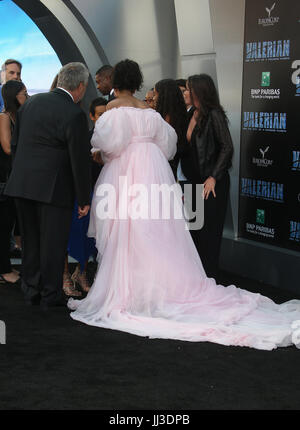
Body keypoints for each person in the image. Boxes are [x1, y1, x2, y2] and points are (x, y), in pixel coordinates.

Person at [68, 59, 300, 351]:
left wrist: (101, 153)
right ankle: (157, 290)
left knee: (127, 229)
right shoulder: (148, 111)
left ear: (115, 83)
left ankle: (132, 293)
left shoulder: (113, 109)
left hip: (126, 173)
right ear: (137, 82)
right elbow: (168, 145)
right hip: (152, 172)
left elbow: (107, 145)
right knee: (155, 232)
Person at [5, 62, 92, 309]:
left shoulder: (30, 103)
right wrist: (84, 198)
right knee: (53, 245)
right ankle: (50, 296)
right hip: (53, 189)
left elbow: (15, 146)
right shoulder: (74, 113)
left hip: (21, 185)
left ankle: (31, 290)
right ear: (81, 86)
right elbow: (79, 159)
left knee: (30, 242)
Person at [180, 74, 233, 280]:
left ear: (199, 91)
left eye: (188, 89)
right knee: (194, 234)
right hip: (192, 183)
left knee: (209, 235)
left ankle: (209, 280)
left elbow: (227, 147)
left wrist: (213, 176)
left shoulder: (214, 114)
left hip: (211, 185)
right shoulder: (191, 113)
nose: (185, 92)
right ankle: (196, 280)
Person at [63, 97, 108, 297]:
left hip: (108, 196)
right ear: (91, 116)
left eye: (107, 114)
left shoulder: (119, 140)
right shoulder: (85, 138)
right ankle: (69, 276)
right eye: (99, 114)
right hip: (84, 194)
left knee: (94, 238)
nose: (103, 118)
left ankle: (81, 273)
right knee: (78, 234)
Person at [0, 80, 28, 285]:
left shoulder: (19, 117)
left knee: (10, 225)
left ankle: (7, 267)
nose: (26, 97)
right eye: (23, 93)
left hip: (14, 180)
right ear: (12, 96)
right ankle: (4, 270)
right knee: (3, 227)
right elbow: (8, 148)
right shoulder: (4, 117)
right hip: (3, 181)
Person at [154, 78, 188, 180]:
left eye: (156, 94)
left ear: (164, 96)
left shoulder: (163, 119)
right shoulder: (184, 116)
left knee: (191, 196)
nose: (154, 98)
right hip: (184, 174)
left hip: (178, 174)